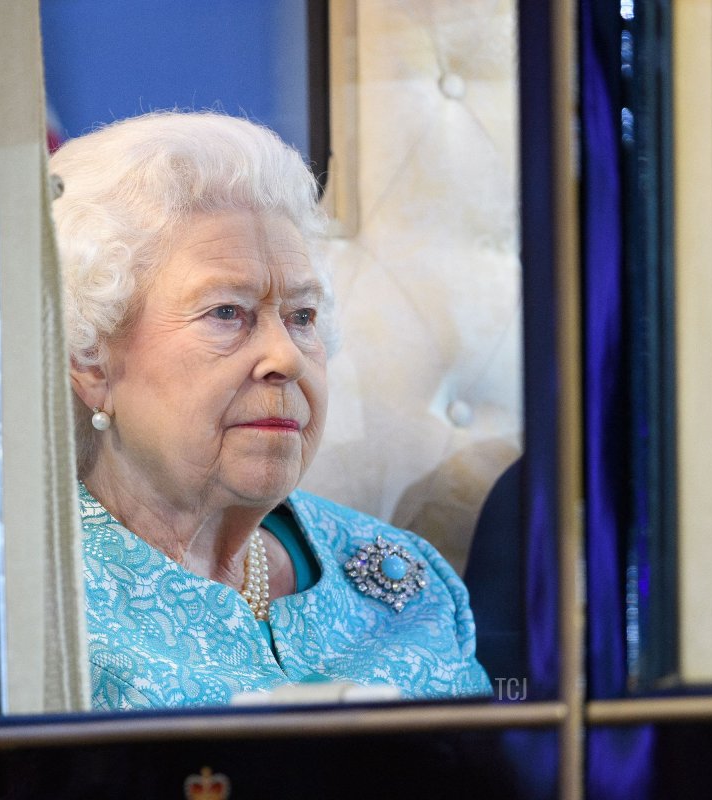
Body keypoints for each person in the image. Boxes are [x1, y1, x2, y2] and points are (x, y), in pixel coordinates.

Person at [50, 110, 489, 709]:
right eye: (227, 312)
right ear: (90, 359)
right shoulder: (15, 613)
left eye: (301, 316)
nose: (284, 356)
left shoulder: (405, 577)